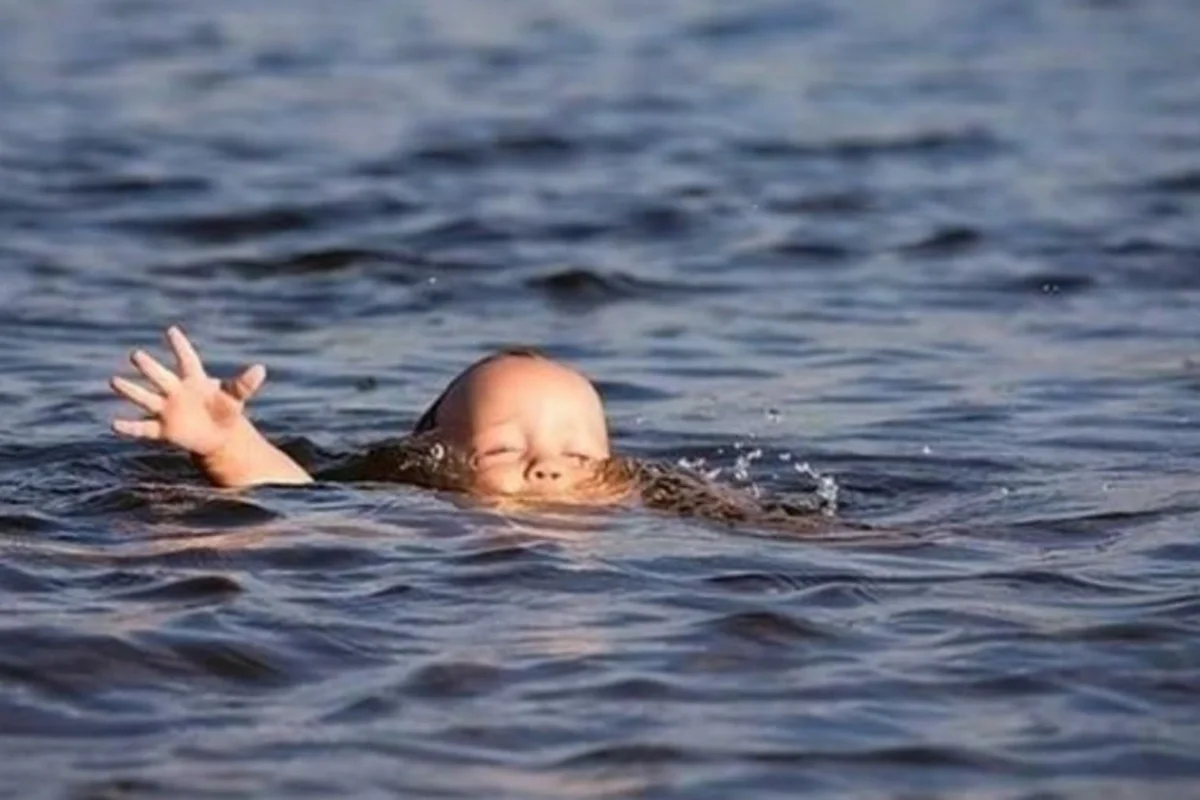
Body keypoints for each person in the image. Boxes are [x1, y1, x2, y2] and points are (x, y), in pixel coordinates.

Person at [110, 327, 834, 527]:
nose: (546, 468)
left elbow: (778, 526)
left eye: (579, 454)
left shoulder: (653, 508)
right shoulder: (429, 519)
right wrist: (229, 444)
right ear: (437, 461)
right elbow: (306, 509)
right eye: (502, 450)